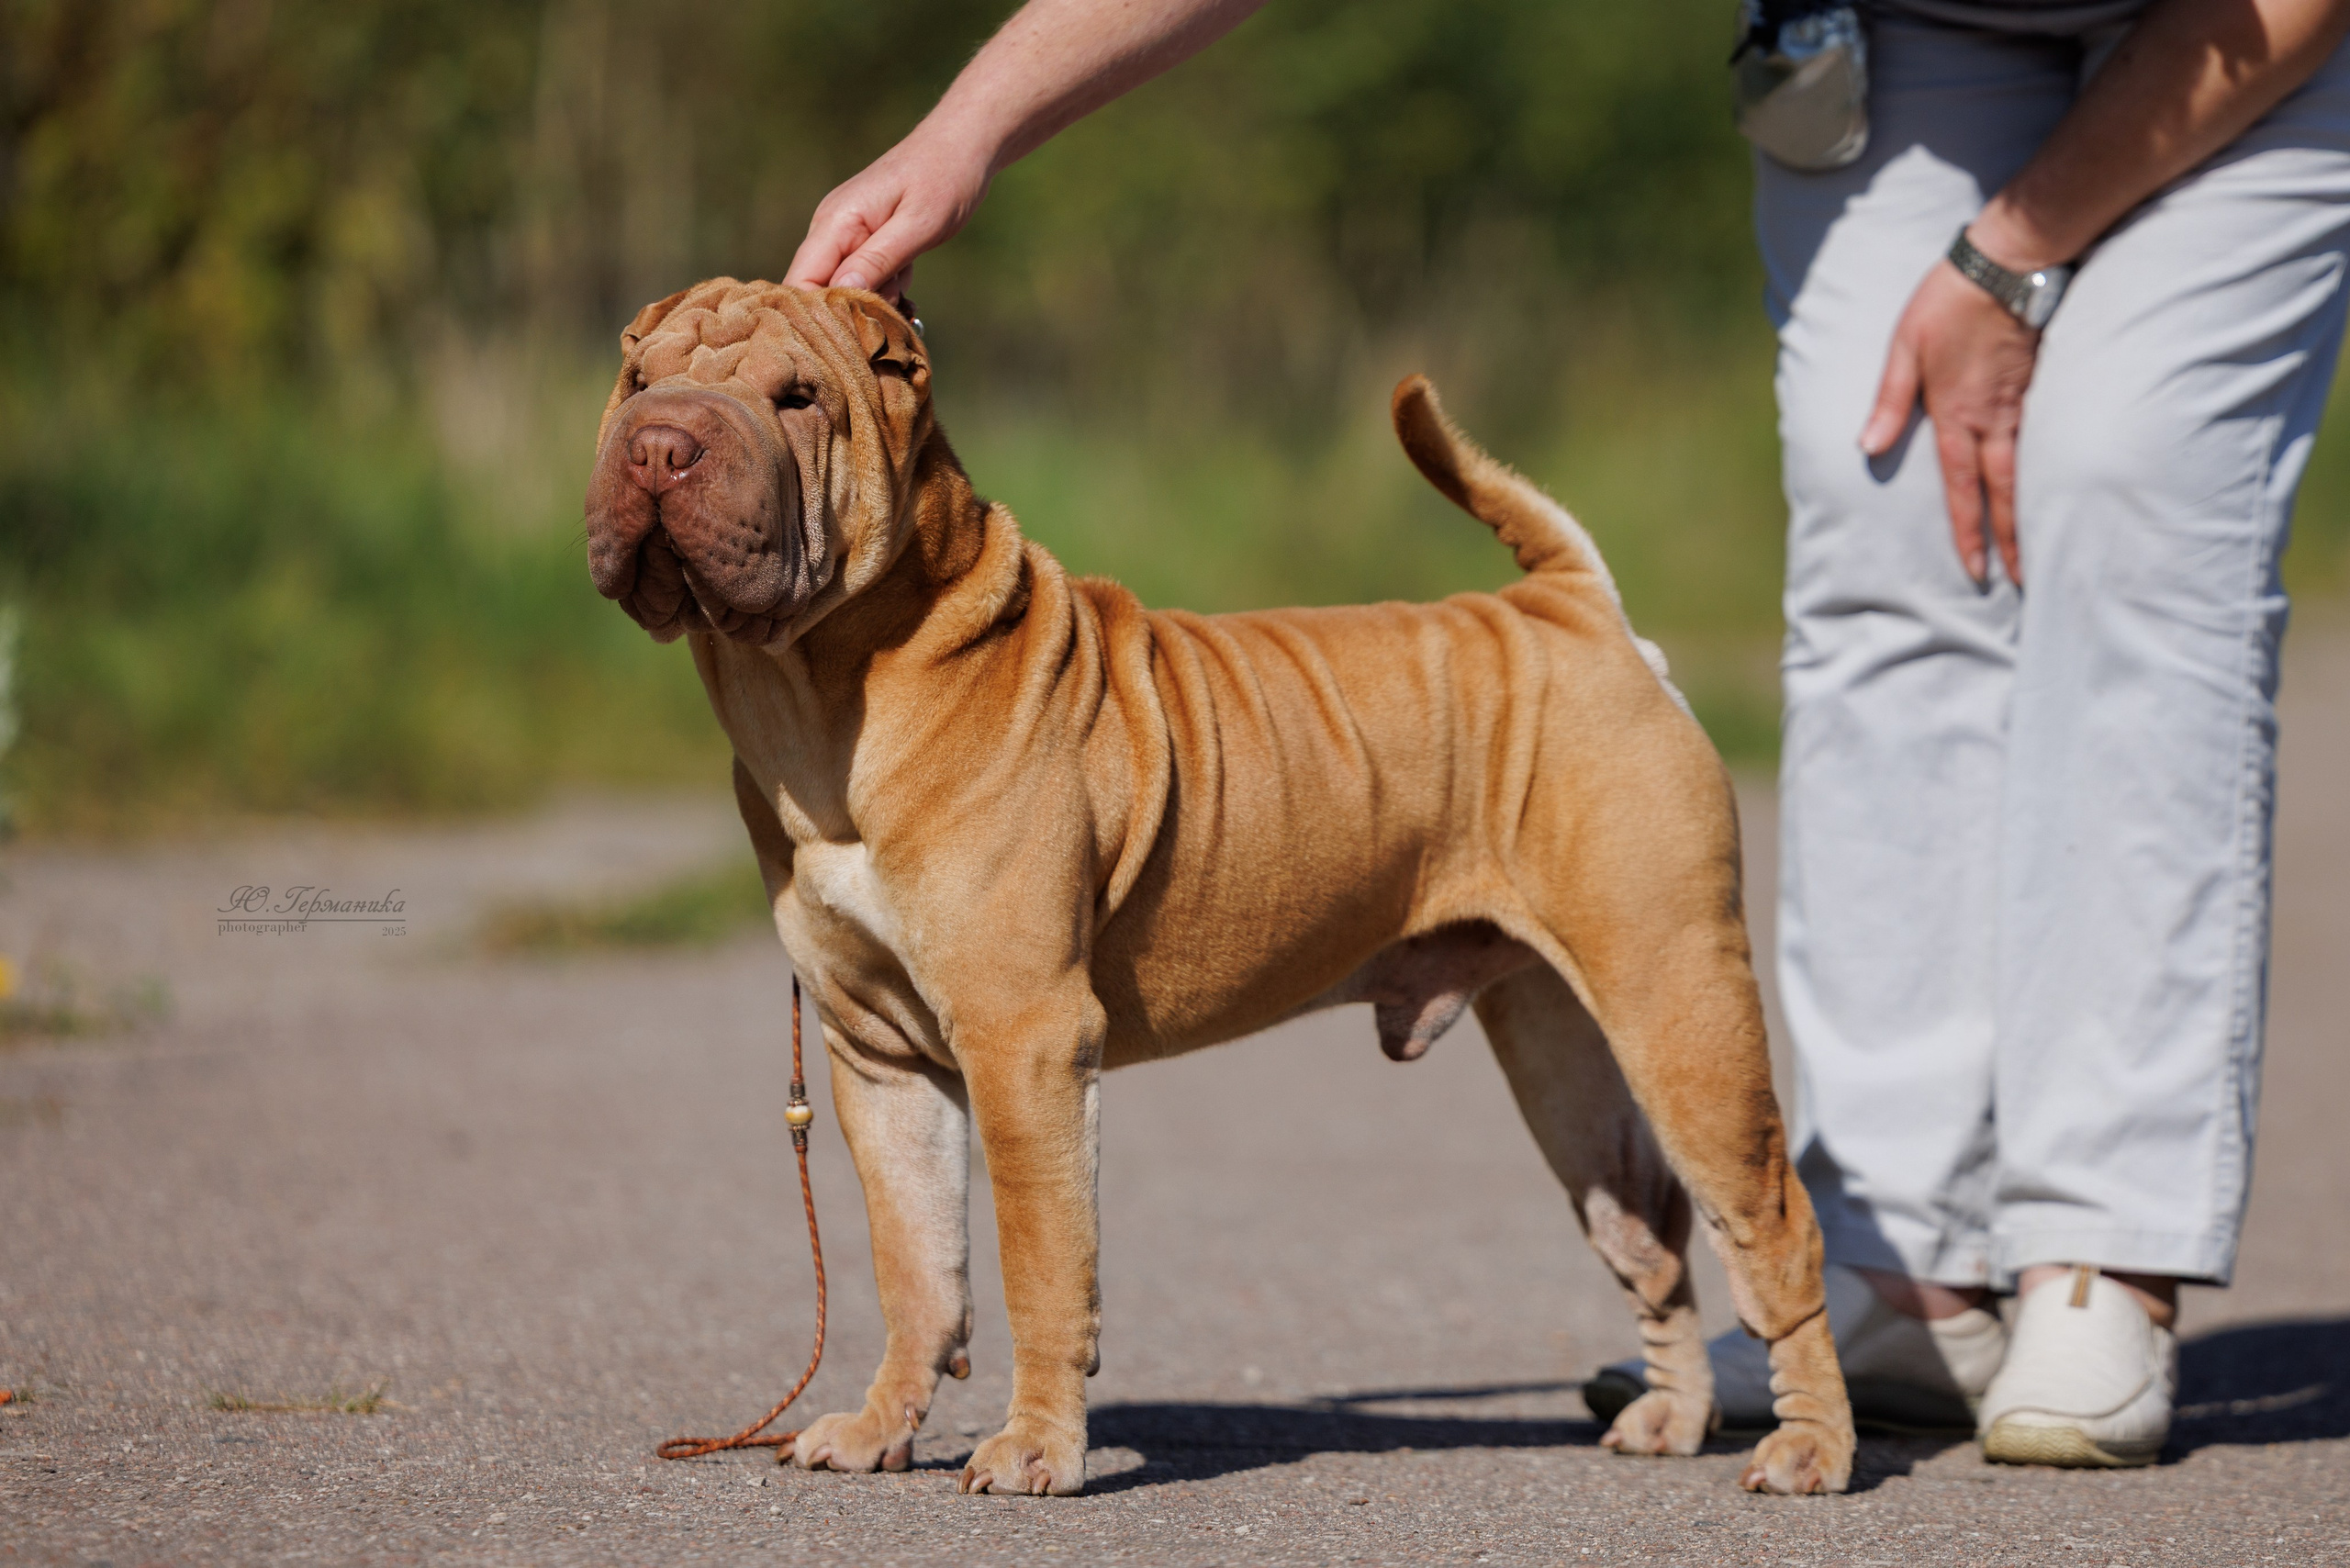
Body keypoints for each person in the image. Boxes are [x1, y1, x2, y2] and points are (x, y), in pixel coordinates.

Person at [787, 0, 2350, 1467]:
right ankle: (1895, 1258)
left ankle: (2104, 1245)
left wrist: (2010, 264)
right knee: (1881, 533)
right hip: (1900, 30)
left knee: (2137, 509)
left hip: (2238, 35)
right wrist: (969, 127)